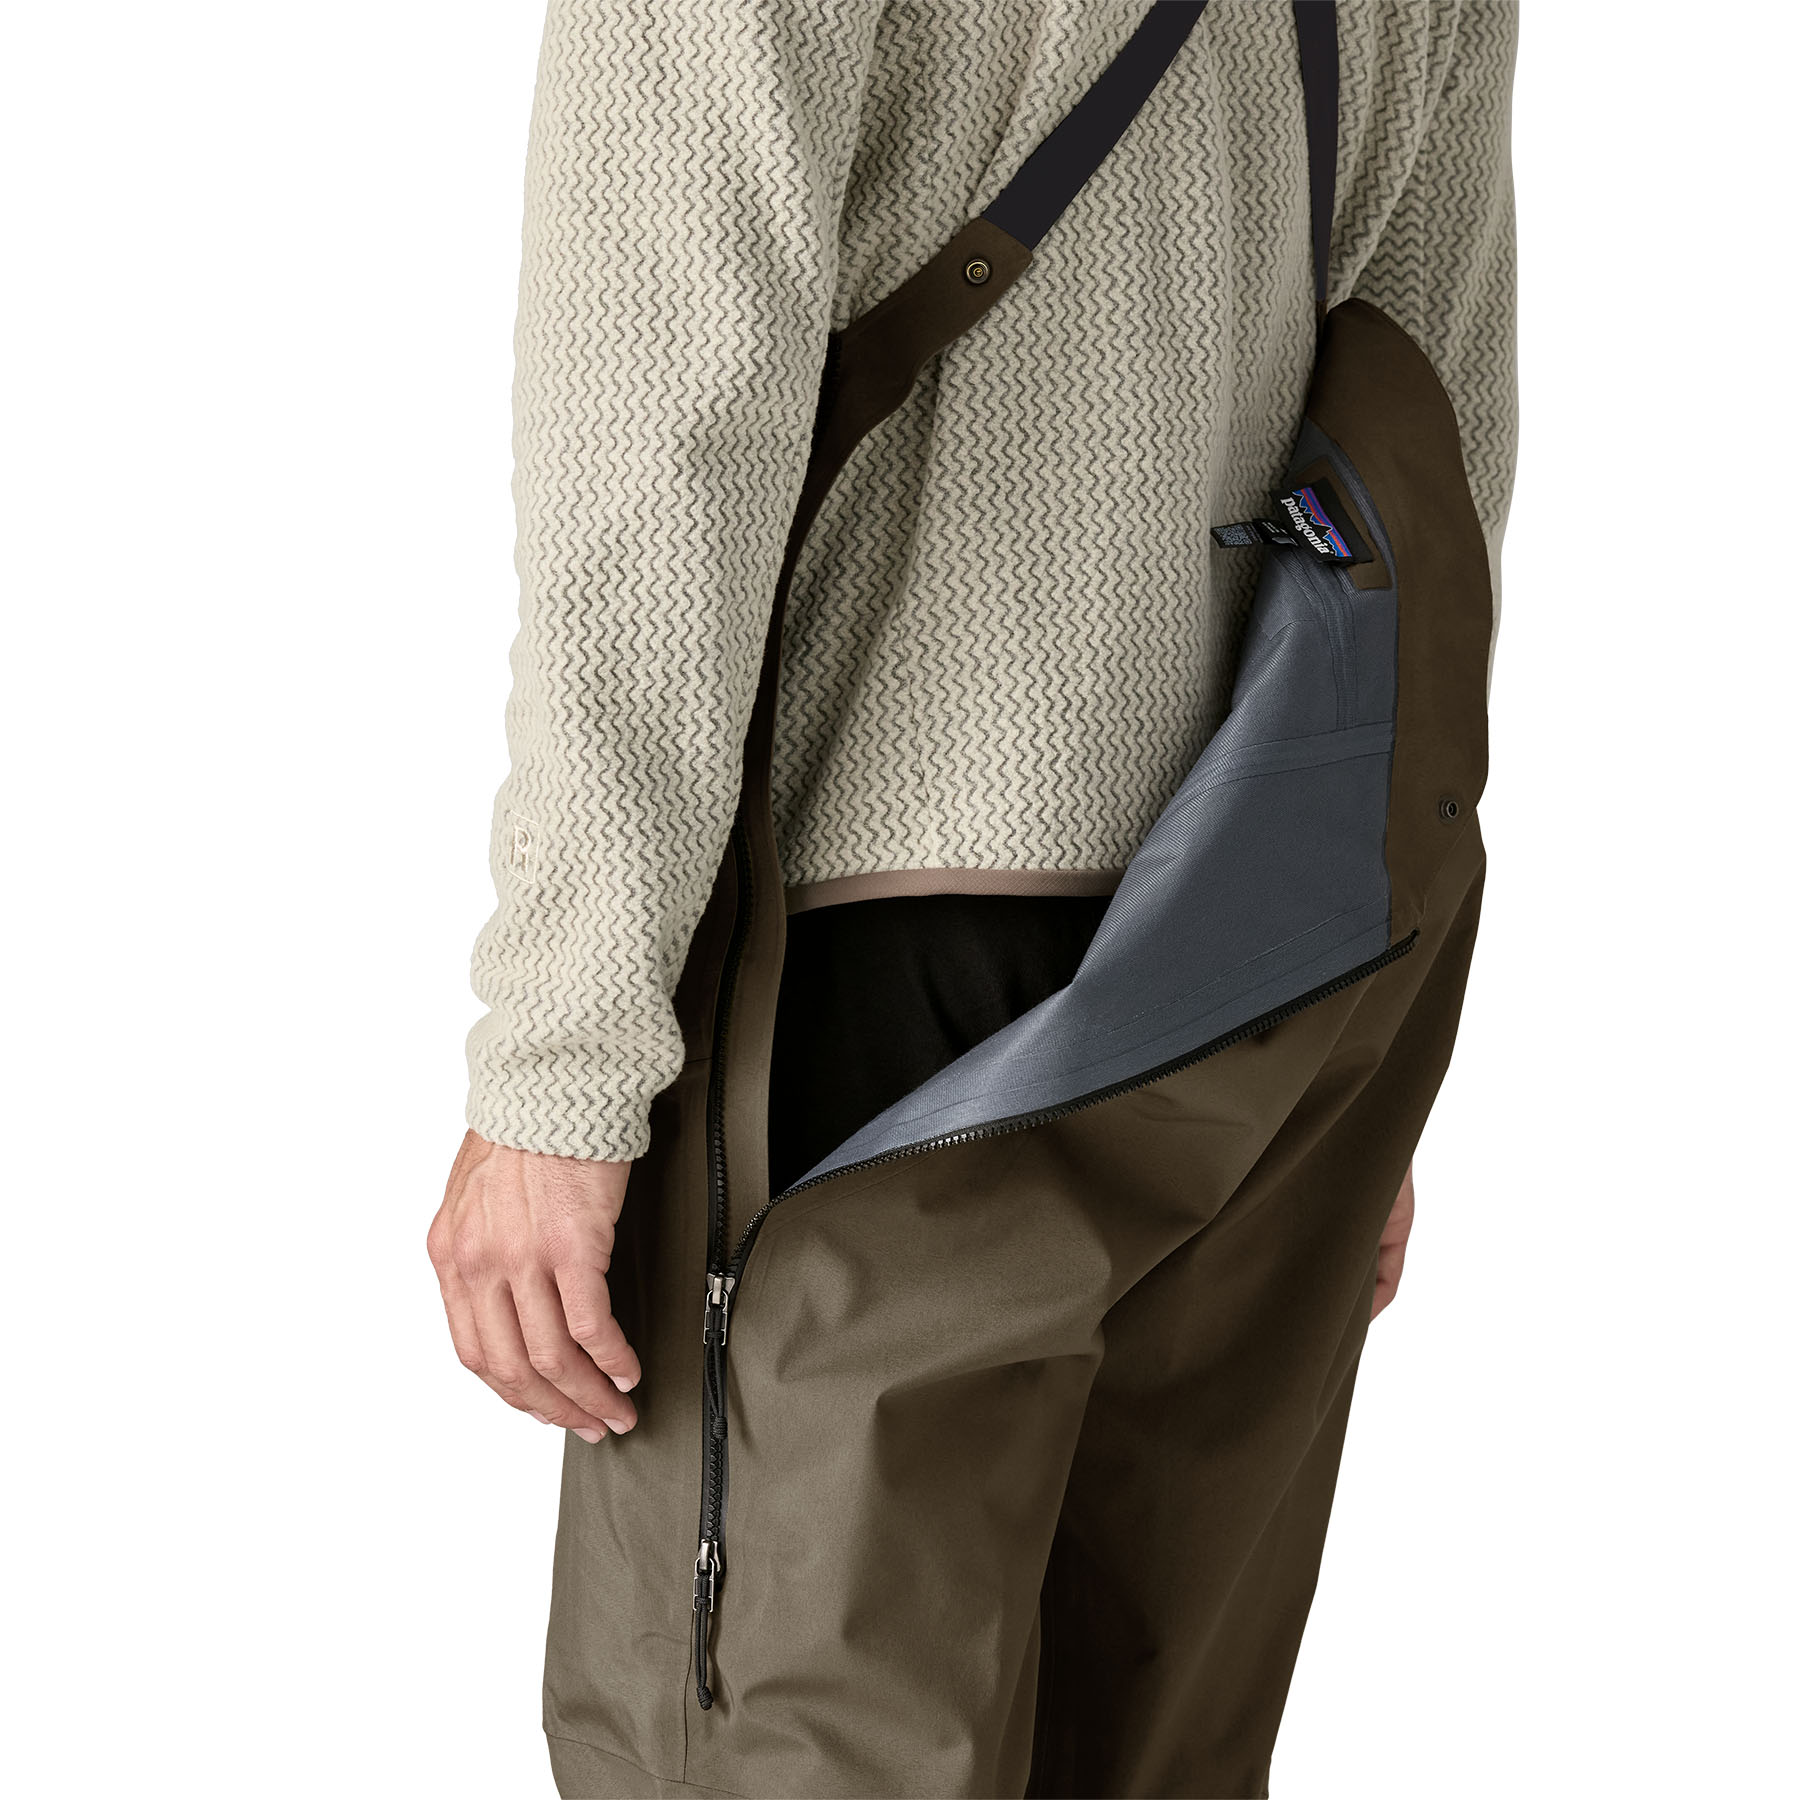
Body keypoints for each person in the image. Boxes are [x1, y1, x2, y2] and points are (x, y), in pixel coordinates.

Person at [428, 3, 1517, 1794]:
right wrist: (1350, 1019)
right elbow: (1428, 430)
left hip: (882, 1001)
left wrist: (562, 1053)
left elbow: (663, 427)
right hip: (1257, 969)